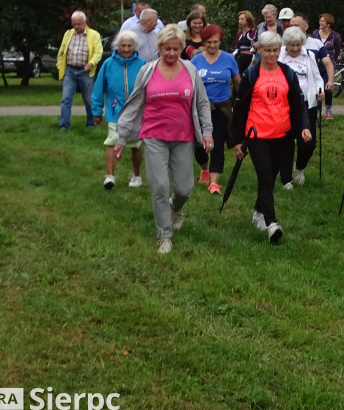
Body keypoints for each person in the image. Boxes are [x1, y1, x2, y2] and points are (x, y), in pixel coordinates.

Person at [113, 25, 214, 255]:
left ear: (181, 49)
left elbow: (202, 103)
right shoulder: (148, 71)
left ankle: (174, 208)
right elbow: (134, 105)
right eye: (167, 49)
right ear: (159, 48)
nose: (171, 53)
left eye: (176, 49)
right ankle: (164, 235)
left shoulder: (190, 70)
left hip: (183, 136)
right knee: (159, 186)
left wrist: (207, 132)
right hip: (154, 135)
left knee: (185, 188)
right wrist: (122, 138)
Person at [230, 31, 311, 244]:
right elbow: (240, 108)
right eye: (268, 50)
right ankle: (272, 224)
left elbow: (298, 101)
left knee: (271, 177)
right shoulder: (252, 74)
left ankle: (258, 211)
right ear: (260, 50)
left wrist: (303, 126)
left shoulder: (287, 72)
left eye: (276, 50)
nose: (272, 54)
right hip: (257, 134)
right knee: (265, 177)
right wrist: (238, 140)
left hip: (282, 134)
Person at [91, 30, 145, 189]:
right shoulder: (108, 63)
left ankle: (136, 176)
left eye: (129, 46)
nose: (126, 49)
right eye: (123, 46)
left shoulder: (142, 64)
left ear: (134, 46)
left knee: (136, 144)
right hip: (115, 111)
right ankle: (110, 176)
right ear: (117, 46)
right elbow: (98, 88)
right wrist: (96, 111)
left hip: (136, 112)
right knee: (113, 141)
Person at [190, 24, 240, 195]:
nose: (212, 46)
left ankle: (214, 182)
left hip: (221, 107)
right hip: (200, 108)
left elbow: (238, 81)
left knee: (217, 144)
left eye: (215, 42)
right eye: (208, 42)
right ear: (204, 42)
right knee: (198, 145)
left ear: (220, 41)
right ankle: (204, 168)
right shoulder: (196, 61)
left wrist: (239, 100)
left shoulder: (229, 59)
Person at [280, 25, 324, 188]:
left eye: (298, 44)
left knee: (308, 143)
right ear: (286, 44)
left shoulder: (309, 56)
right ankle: (286, 179)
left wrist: (320, 90)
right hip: (285, 105)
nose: (296, 48)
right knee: (287, 143)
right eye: (292, 45)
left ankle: (299, 167)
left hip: (307, 104)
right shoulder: (280, 56)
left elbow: (318, 78)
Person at [56, 10, 103, 130]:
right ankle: (64, 126)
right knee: (66, 99)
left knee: (89, 100)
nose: (76, 27)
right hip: (70, 71)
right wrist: (59, 64)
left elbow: (98, 52)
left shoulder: (94, 35)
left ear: (85, 22)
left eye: (79, 24)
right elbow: (62, 50)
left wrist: (91, 63)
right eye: (74, 24)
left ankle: (91, 124)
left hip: (86, 72)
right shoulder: (68, 34)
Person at [311, 13, 342, 119]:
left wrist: (332, 60)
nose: (320, 22)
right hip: (316, 65)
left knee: (327, 87)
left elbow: (337, 50)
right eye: (320, 20)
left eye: (323, 21)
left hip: (329, 65)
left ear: (328, 24)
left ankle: (328, 109)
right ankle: (318, 111)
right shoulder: (315, 34)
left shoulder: (335, 36)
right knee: (318, 87)